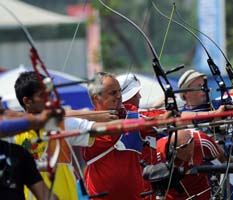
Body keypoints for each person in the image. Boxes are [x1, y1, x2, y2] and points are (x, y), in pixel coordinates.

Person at [12, 71, 127, 200]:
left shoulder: (62, 124)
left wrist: (136, 122)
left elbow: (96, 128)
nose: (50, 100)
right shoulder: (13, 134)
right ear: (27, 101)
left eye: (50, 94)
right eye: (42, 96)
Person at [83, 72, 153, 200]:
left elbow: (161, 118)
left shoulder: (133, 116)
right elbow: (61, 118)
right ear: (95, 98)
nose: (119, 96)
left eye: (119, 91)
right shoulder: (86, 125)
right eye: (113, 93)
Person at [156, 129, 226, 200]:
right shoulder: (158, 152)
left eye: (191, 151)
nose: (190, 155)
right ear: (173, 151)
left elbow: (222, 158)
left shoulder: (202, 141)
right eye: (185, 154)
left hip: (200, 190)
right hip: (172, 194)